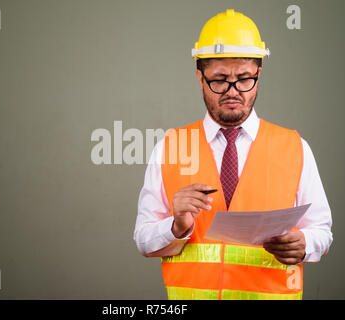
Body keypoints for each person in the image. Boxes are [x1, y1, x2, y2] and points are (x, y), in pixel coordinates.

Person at [133, 9, 333, 300]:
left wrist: (306, 244)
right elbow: (143, 240)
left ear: (258, 74)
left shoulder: (294, 148)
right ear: (200, 78)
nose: (232, 91)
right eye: (219, 79)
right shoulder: (171, 147)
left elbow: (321, 230)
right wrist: (175, 227)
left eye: (244, 78)